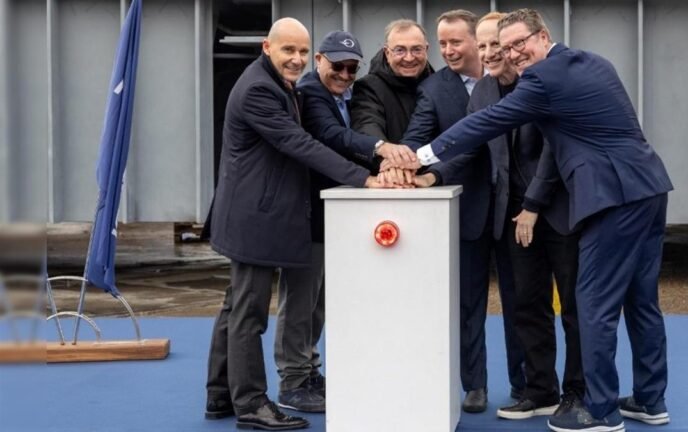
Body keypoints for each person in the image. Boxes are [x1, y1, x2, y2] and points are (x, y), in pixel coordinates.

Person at [392, 8, 674, 432]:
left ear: (543, 36)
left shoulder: (541, 79)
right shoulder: (593, 61)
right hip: (649, 187)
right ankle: (650, 400)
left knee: (592, 304)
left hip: (612, 198)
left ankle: (600, 411)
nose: (513, 53)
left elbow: (487, 122)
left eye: (520, 43)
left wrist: (422, 156)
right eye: (506, 48)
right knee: (641, 301)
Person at [205, 17, 384, 431]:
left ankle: (220, 394)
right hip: (253, 217)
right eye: (289, 50)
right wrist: (364, 178)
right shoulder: (259, 89)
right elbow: (297, 143)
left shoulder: (278, 84)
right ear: (267, 47)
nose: (297, 59)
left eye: (302, 51)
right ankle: (251, 403)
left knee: (236, 306)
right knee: (249, 313)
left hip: (253, 213)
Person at [277, 30, 414, 413]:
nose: (344, 74)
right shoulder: (311, 93)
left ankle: (308, 370)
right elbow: (331, 135)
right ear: (319, 60)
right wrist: (382, 150)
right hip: (305, 214)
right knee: (300, 302)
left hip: (330, 217)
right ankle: (292, 381)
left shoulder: (344, 96)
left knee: (318, 302)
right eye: (337, 66)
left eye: (352, 68)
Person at [395, 9, 525, 414]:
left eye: (456, 42)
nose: (448, 50)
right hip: (467, 210)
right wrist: (400, 163)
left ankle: (525, 385)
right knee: (468, 304)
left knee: (521, 300)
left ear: (479, 40)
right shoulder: (433, 90)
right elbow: (418, 139)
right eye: (443, 43)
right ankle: (475, 386)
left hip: (516, 211)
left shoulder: (519, 77)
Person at [466, 12, 585, 423]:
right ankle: (540, 391)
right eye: (483, 45)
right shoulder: (482, 90)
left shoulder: (543, 80)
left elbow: (554, 149)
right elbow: (471, 143)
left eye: (497, 45)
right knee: (527, 306)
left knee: (574, 309)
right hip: (513, 217)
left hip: (559, 210)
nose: (490, 53)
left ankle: (578, 394)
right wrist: (428, 171)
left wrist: (533, 205)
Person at [350, 19, 434, 143]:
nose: (409, 58)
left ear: (426, 50)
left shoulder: (439, 86)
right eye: (400, 50)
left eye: (416, 49)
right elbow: (367, 126)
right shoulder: (368, 88)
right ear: (387, 52)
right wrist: (386, 150)